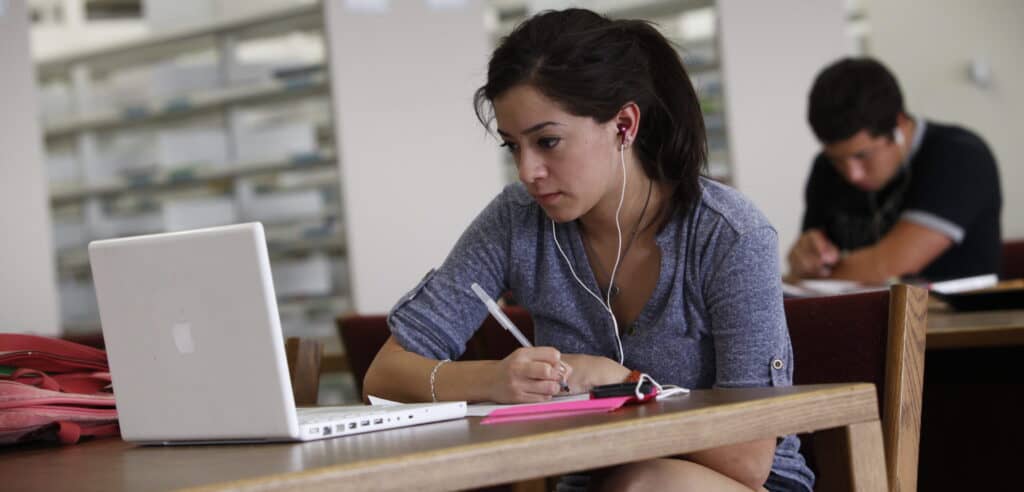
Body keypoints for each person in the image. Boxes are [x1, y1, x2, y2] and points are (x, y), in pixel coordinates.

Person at [364, 8, 813, 492]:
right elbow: (385, 375)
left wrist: (624, 385)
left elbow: (746, 458)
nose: (527, 171)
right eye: (513, 147)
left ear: (623, 125)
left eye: (548, 141)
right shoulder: (517, 220)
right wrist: (493, 381)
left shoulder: (729, 236)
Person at [788, 57, 1002, 284]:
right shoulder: (824, 167)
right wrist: (803, 259)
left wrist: (811, 279)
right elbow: (809, 264)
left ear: (898, 125)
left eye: (862, 155)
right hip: (864, 315)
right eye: (837, 159)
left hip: (967, 318)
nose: (852, 174)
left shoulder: (961, 156)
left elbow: (886, 267)